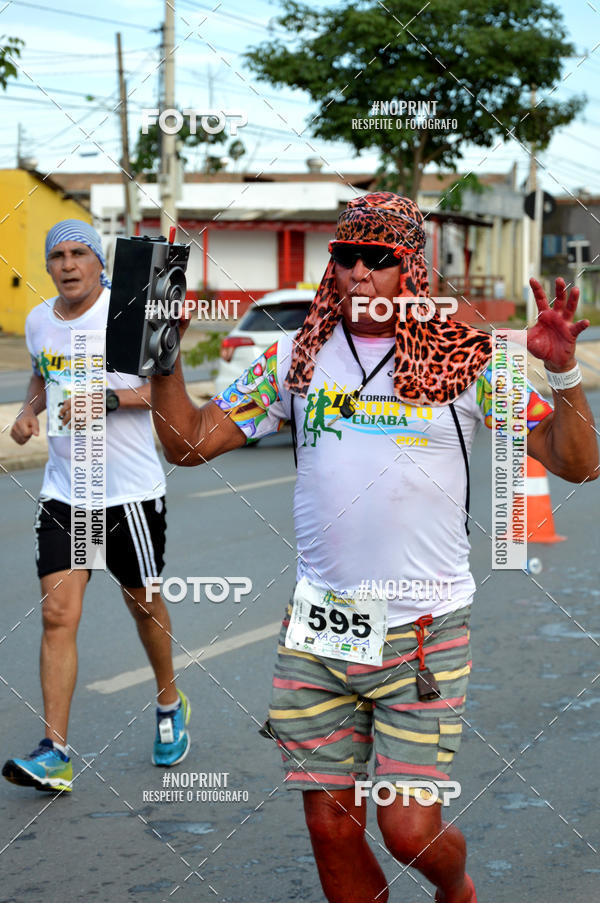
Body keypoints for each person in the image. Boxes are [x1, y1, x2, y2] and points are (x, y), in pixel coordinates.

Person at [149, 193, 598, 903]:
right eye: (347, 256)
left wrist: (565, 372)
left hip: (422, 631)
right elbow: (189, 444)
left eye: (379, 259)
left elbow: (578, 463)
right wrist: (163, 356)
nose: (359, 271)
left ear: (409, 269)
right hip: (319, 631)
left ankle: (457, 891)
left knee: (409, 829)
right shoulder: (295, 358)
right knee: (331, 828)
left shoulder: (467, 359)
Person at [2, 220, 191, 794]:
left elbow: (165, 390)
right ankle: (55, 751)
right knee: (59, 616)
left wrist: (110, 397)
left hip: (128, 493)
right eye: (56, 255)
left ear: (98, 261)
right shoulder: (39, 321)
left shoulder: (129, 313)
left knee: (143, 606)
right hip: (65, 492)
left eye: (78, 252)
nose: (67, 264)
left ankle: (168, 701)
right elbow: (41, 375)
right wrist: (29, 411)